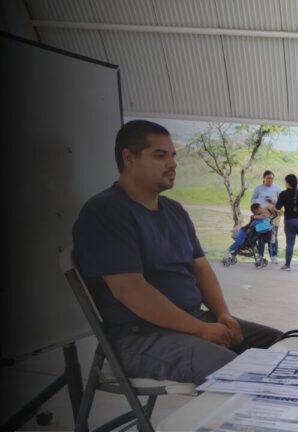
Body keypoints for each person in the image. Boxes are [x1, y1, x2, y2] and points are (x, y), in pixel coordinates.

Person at [72, 120, 282, 385]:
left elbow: (201, 268)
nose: (172, 164)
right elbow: (130, 290)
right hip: (141, 337)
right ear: (129, 158)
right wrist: (201, 330)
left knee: (284, 345)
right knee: (233, 371)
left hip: (194, 319)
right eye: (160, 155)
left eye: (173, 155)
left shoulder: (174, 211)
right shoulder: (106, 212)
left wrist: (222, 315)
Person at [275, 174, 298, 271]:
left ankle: (287, 265)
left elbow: (277, 207)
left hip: (290, 220)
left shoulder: (283, 193)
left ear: (287, 183)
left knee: (290, 243)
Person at [251, 170, 281, 264]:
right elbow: (253, 200)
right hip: (262, 215)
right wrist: (260, 202)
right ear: (264, 178)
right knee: (261, 234)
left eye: (271, 178)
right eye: (268, 178)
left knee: (273, 235)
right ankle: (260, 255)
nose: (270, 180)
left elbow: (280, 203)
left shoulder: (276, 188)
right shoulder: (258, 188)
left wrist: (273, 201)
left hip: (273, 215)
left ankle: (274, 256)